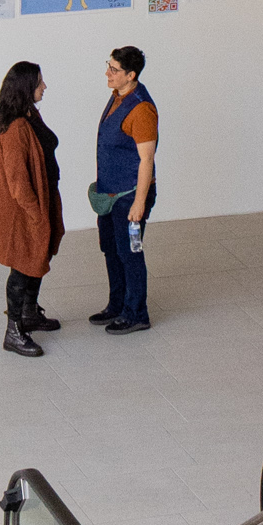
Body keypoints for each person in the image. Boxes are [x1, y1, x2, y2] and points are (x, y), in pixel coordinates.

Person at [0, 57, 61, 356]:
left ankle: (29, 313)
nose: (44, 86)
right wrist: (36, 214)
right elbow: (18, 183)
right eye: (40, 82)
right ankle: (13, 331)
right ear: (27, 87)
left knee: (36, 257)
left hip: (40, 202)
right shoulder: (15, 129)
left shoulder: (29, 114)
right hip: (24, 210)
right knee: (23, 265)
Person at [91, 43, 159, 332]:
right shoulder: (117, 96)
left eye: (114, 69)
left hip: (129, 196)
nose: (107, 72)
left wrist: (139, 203)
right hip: (110, 195)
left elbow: (146, 160)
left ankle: (136, 313)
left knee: (129, 253)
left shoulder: (141, 109)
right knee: (111, 249)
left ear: (131, 74)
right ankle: (116, 304)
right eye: (108, 65)